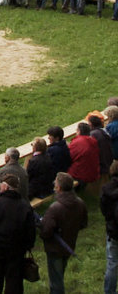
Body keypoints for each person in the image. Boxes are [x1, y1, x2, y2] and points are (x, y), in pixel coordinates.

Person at [0, 173, 36, 294]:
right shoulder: (25, 206)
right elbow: (31, 232)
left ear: (5, 187)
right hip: (16, 251)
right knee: (14, 284)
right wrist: (25, 247)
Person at [40, 172, 88, 294]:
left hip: (55, 248)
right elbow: (83, 224)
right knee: (60, 275)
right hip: (69, 244)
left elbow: (46, 231)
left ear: (59, 188)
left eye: (55, 184)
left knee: (56, 282)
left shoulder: (55, 208)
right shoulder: (80, 203)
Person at [101, 161, 118, 293]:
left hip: (113, 231)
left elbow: (104, 210)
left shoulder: (106, 189)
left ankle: (109, 291)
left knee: (112, 263)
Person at [68, 121, 101, 189]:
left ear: (79, 131)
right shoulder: (93, 140)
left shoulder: (77, 142)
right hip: (94, 171)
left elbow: (68, 158)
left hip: (81, 175)